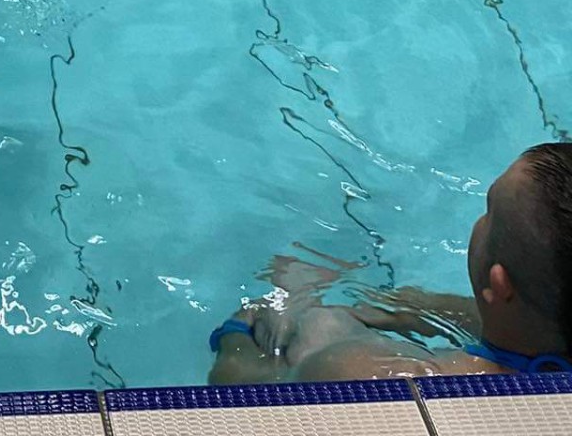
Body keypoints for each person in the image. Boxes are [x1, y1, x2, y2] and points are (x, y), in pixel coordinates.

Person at [208, 144, 572, 383]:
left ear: (500, 285)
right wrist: (391, 308)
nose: (480, 220)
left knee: (322, 325)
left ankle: (296, 302)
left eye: (488, 210)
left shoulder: (375, 373)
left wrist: (237, 336)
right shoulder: (542, 330)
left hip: (329, 372)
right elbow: (468, 314)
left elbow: (245, 396)